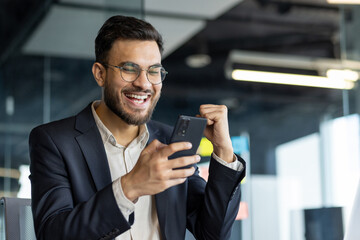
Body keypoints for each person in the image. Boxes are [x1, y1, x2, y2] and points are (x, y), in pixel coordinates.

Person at [29, 15, 246, 240]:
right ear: (100, 74)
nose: (144, 83)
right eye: (129, 69)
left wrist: (223, 152)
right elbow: (52, 233)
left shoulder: (170, 142)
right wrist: (129, 187)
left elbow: (213, 234)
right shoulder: (54, 141)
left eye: (153, 71)